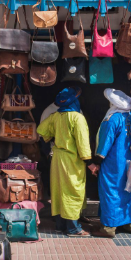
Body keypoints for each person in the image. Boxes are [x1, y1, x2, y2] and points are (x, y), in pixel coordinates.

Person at [37, 87, 94, 236]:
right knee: (72, 192)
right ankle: (73, 228)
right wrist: (89, 163)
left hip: (57, 158)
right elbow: (83, 144)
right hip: (71, 160)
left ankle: (60, 225)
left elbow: (42, 130)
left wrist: (54, 138)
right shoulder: (77, 118)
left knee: (59, 191)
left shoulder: (56, 116)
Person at [89, 88, 131, 238]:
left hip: (113, 164)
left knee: (111, 191)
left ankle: (109, 228)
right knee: (128, 189)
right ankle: (130, 224)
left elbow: (105, 143)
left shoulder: (112, 119)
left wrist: (98, 161)